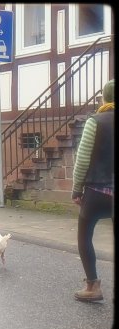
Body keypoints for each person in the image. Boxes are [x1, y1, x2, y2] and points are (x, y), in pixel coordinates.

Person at [71, 79, 114, 302]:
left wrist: (76, 190)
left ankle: (92, 286)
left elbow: (82, 161)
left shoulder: (94, 121)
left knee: (85, 236)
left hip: (97, 193)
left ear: (104, 99)